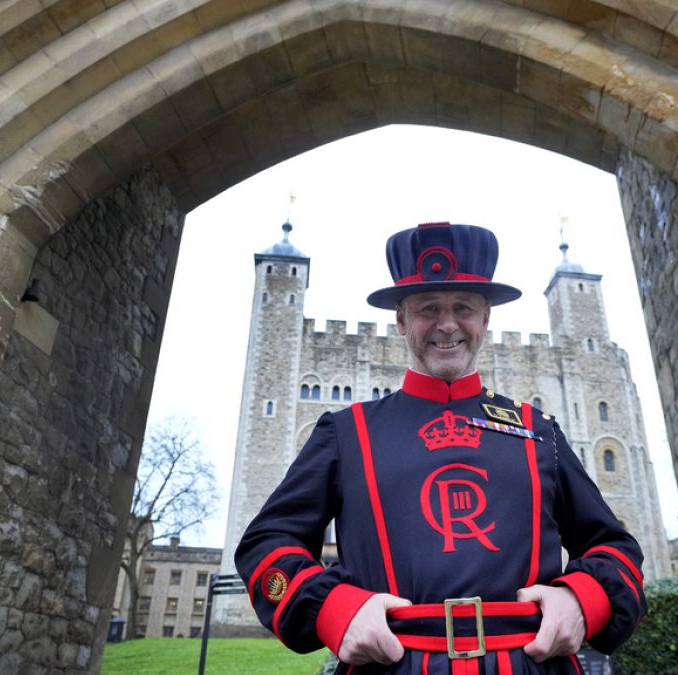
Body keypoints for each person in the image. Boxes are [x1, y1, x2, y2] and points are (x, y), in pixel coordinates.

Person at [236, 223, 646, 674]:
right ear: (401, 321)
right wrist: (334, 609)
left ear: (485, 319)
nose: (447, 324)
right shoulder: (346, 432)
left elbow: (614, 546)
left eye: (463, 307)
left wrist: (580, 598)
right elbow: (267, 544)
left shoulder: (539, 432)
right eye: (429, 308)